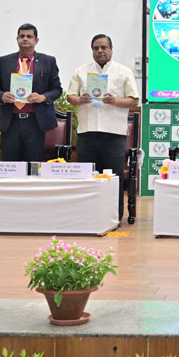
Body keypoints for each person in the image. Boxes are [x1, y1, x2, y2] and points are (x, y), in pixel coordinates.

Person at [66, 34, 140, 219]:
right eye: (96, 48)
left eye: (104, 47)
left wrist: (115, 101)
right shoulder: (81, 71)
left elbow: (134, 100)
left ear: (111, 50)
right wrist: (79, 99)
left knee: (113, 177)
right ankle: (87, 216)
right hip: (87, 132)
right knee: (87, 175)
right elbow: (70, 96)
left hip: (113, 133)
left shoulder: (124, 71)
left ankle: (114, 216)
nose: (100, 51)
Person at [0, 23, 62, 162]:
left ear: (36, 40)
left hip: (35, 121)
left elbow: (57, 89)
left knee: (33, 165)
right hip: (10, 121)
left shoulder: (48, 61)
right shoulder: (4, 61)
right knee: (11, 165)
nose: (25, 39)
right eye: (22, 36)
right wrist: (2, 96)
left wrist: (43, 97)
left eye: (29, 36)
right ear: (17, 39)